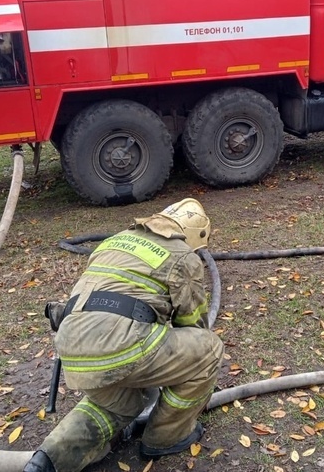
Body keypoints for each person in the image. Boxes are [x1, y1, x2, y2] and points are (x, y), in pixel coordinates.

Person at [25, 198, 224, 472]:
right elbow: (193, 324)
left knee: (120, 404)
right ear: (194, 234)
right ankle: (165, 437)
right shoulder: (183, 254)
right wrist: (184, 373)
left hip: (72, 344)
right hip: (121, 343)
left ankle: (48, 459)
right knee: (209, 350)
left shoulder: (116, 240)